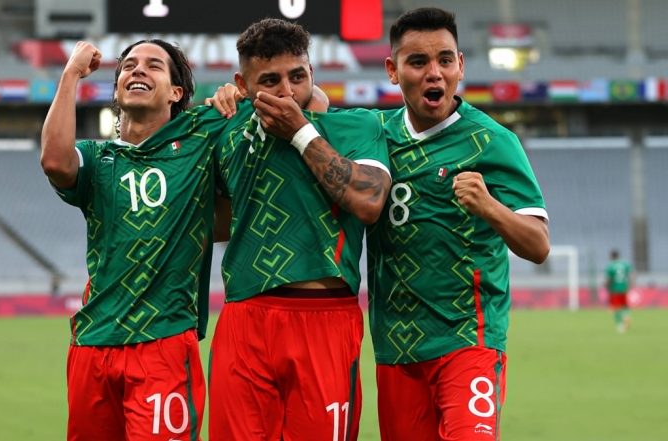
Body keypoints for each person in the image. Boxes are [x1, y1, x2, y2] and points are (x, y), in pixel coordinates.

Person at [211, 7, 550, 441]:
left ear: (460, 65)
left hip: (467, 338)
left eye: (445, 60)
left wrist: (490, 208)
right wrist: (239, 97)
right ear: (393, 70)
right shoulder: (378, 131)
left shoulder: (493, 141)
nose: (434, 73)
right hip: (397, 348)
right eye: (418, 62)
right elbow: (316, 110)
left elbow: (538, 244)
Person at [207, 18, 392, 441]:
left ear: (313, 73)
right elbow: (210, 223)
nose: (288, 91)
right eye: (270, 80)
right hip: (244, 318)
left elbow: (368, 202)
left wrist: (301, 132)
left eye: (298, 76)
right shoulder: (227, 134)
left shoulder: (358, 127)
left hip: (324, 318)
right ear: (242, 83)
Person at [40, 39, 229, 441]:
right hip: (93, 342)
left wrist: (234, 94)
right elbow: (55, 160)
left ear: (177, 93)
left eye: (153, 66)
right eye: (128, 65)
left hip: (162, 340)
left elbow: (289, 95)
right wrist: (71, 73)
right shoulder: (97, 158)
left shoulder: (198, 142)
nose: (137, 70)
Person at [604, 249, 633, 333]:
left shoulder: (610, 266)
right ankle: (627, 316)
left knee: (616, 307)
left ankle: (620, 325)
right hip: (624, 288)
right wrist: (630, 285)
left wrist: (606, 286)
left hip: (615, 289)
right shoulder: (625, 264)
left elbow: (608, 279)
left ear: (612, 256)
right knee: (624, 305)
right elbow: (632, 275)